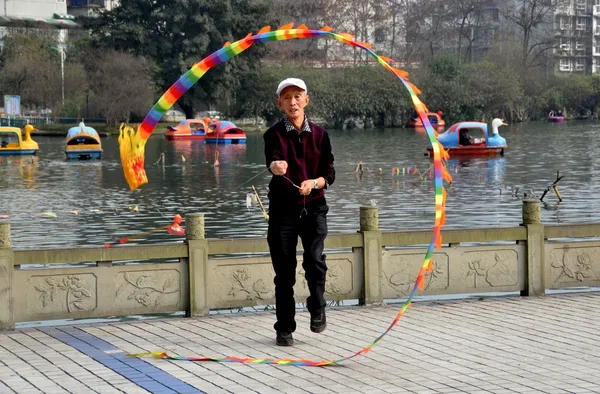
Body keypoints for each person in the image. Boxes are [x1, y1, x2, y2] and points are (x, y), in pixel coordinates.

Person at [263, 78, 335, 346]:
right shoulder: (273, 135)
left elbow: (329, 172)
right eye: (286, 97)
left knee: (314, 261)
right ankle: (284, 327)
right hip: (283, 211)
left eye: (297, 96)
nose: (292, 102)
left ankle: (317, 307)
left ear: (306, 100)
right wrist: (276, 167)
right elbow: (273, 159)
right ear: (279, 103)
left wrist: (315, 183)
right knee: (284, 271)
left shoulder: (320, 134)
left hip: (314, 207)